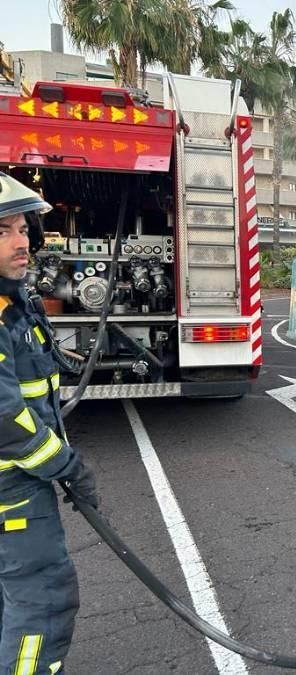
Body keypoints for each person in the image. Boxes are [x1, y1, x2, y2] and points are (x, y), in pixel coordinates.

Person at [0, 172, 100, 674]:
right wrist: (66, 465)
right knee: (41, 606)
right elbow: (5, 420)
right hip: (12, 491)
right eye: (4, 232)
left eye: (22, 230)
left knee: (9, 601)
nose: (22, 243)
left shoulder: (13, 303)